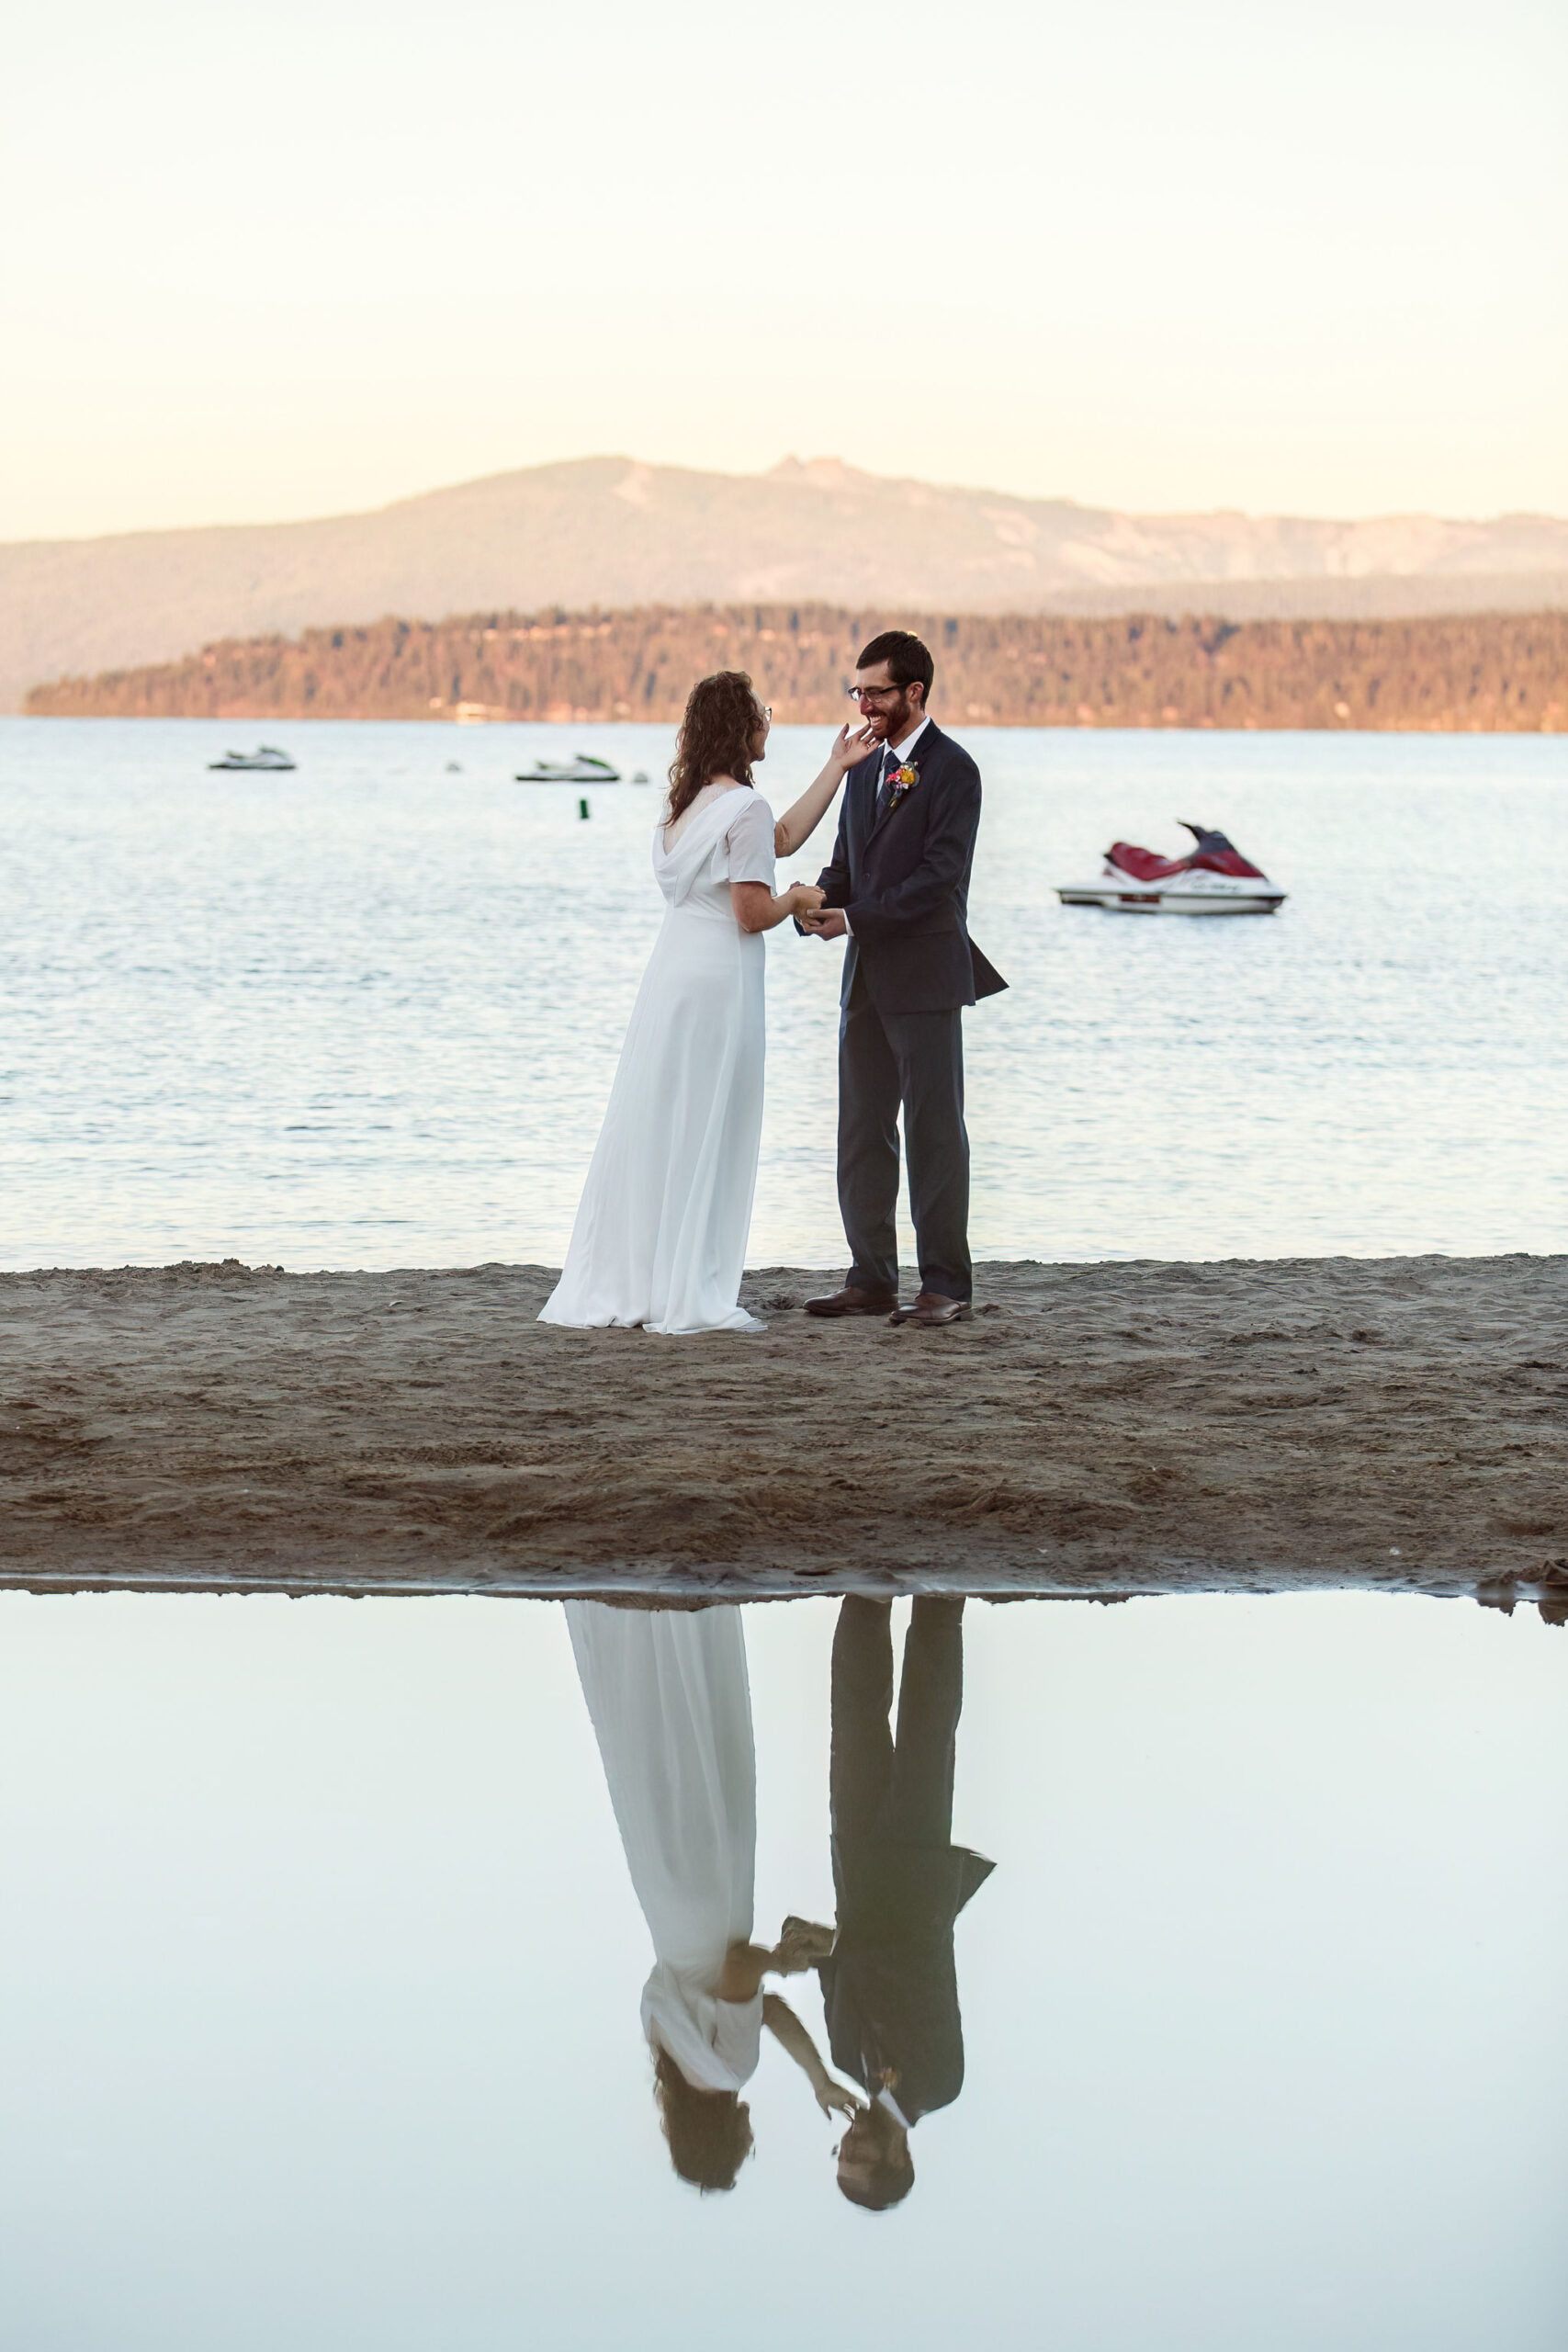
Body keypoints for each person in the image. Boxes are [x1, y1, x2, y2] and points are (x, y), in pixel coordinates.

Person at [539, 671, 833, 1334]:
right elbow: (752, 911)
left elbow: (778, 837)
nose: (769, 718)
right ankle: (686, 1283)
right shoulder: (742, 809)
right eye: (761, 710)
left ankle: (642, 1273)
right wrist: (800, 899)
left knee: (661, 1121)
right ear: (741, 727)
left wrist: (835, 767)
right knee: (707, 1124)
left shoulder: (688, 809)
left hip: (670, 975)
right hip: (717, 982)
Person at [565, 1600, 863, 2194]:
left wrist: (779, 1961)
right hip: (668, 1904)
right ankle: (651, 1626)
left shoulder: (731, 2068)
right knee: (667, 1753)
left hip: (709, 1904)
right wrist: (816, 2077)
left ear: (726, 2137)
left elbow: (738, 1970)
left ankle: (685, 1619)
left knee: (703, 1749)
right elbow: (762, 2010)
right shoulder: (671, 2052)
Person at [795, 630, 1008, 1329]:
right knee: (860, 1128)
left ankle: (945, 1284)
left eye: (877, 691)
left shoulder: (954, 770)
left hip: (925, 974)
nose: (865, 703)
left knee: (933, 1130)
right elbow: (843, 865)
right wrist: (813, 905)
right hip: (863, 980)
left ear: (915, 691)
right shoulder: (862, 769)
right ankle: (871, 1277)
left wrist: (852, 918)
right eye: (857, 690)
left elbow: (937, 882)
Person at [812, 1595, 993, 2211]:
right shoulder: (940, 2084)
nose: (851, 2144)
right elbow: (918, 1984)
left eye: (842, 2155)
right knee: (927, 1728)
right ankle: (941, 1597)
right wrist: (835, 1952)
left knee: (853, 1723)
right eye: (863, 2158)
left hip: (859, 1871)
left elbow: (833, 1964)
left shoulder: (842, 2056)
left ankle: (865, 1596)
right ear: (898, 2158)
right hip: (912, 1880)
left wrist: (802, 1948)